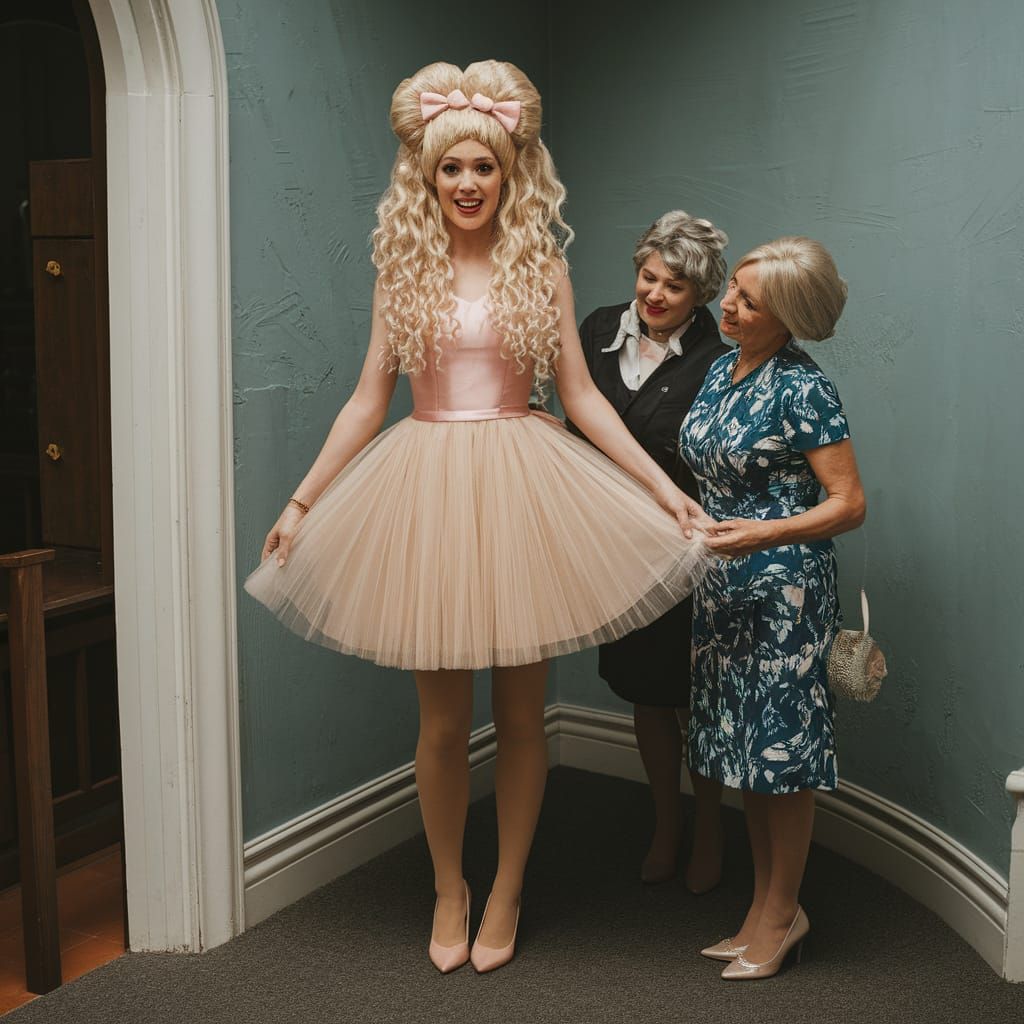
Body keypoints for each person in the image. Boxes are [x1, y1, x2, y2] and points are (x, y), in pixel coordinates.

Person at [244, 60, 709, 975]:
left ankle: (507, 888)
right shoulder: (401, 267)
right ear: (427, 173)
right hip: (424, 488)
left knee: (526, 718)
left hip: (520, 485)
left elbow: (582, 397)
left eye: (484, 168)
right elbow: (364, 400)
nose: (467, 183)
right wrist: (302, 501)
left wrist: (662, 490)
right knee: (443, 726)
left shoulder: (544, 266)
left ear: (511, 175)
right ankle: (450, 885)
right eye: (452, 166)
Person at [679, 237, 865, 980]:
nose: (728, 303)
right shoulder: (724, 368)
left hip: (785, 593)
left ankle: (784, 915)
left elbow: (850, 504)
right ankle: (762, 910)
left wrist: (763, 531)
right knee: (746, 754)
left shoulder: (804, 387)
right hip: (722, 588)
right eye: (733, 290)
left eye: (749, 300)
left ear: (785, 315)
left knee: (781, 758)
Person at [568, 211, 729, 890]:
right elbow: (582, 414)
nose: (654, 293)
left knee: (698, 696)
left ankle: (712, 832)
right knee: (646, 693)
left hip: (687, 546)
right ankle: (666, 823)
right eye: (648, 275)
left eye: (675, 286)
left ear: (702, 296)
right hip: (615, 547)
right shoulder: (600, 328)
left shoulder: (718, 359)